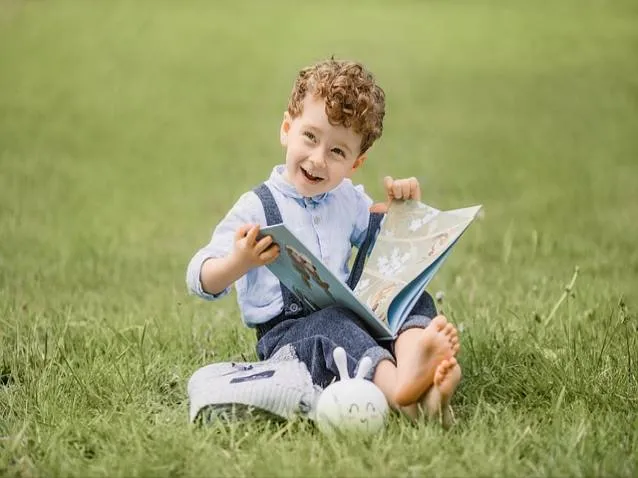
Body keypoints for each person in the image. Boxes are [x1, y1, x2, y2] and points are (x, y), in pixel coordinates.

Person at [186, 58, 462, 426]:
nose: (318, 159)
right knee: (333, 324)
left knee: (411, 296)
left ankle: (419, 372)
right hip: (290, 338)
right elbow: (199, 277)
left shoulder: (347, 199)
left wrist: (402, 208)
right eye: (310, 137)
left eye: (337, 152)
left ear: (355, 163)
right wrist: (240, 261)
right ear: (287, 128)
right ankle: (402, 391)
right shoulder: (257, 206)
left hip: (353, 320)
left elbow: (385, 248)